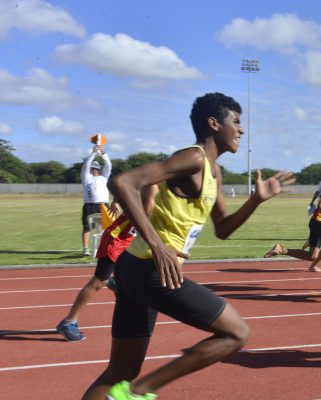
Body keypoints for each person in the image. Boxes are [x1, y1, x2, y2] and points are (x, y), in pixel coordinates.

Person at [82, 92, 294, 399]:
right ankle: (142, 390)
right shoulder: (194, 157)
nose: (242, 130)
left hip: (135, 268)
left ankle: (133, 387)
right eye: (235, 121)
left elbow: (223, 229)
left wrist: (256, 200)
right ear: (213, 124)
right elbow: (124, 182)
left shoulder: (213, 171)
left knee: (120, 371)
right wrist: (157, 244)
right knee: (236, 333)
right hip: (150, 269)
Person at [56, 186, 157, 342]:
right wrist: (117, 201)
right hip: (117, 240)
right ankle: (69, 322)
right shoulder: (153, 186)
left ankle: (120, 300)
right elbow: (147, 210)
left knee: (126, 282)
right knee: (98, 282)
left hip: (129, 242)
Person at [81, 144, 114, 256]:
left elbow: (109, 166)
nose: (91, 170)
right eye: (91, 169)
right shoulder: (86, 177)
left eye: (93, 169)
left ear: (97, 169)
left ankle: (106, 247)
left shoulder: (103, 177)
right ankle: (85, 249)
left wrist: (103, 154)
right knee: (87, 227)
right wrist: (94, 153)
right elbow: (86, 165)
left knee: (108, 227)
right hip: (89, 205)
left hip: (103, 205)